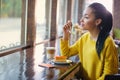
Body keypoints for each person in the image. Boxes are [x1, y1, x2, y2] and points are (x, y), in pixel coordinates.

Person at [60, 2, 118, 80]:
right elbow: (66, 54)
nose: (81, 20)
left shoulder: (108, 43)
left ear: (97, 21)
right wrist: (65, 35)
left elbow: (108, 76)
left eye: (86, 17)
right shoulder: (84, 38)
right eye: (83, 16)